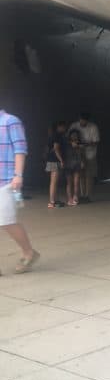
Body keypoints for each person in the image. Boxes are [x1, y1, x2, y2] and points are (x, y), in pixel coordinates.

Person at [0, 110, 40, 273]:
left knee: (6, 220)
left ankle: (29, 253)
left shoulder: (11, 120)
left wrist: (18, 175)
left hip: (7, 180)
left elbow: (20, 149)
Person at [70, 112, 99, 203]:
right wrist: (73, 143)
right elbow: (68, 137)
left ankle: (88, 195)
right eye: (81, 121)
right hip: (78, 155)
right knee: (80, 175)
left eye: (84, 121)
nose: (82, 123)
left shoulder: (93, 127)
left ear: (88, 120)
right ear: (79, 119)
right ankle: (82, 195)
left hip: (90, 154)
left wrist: (84, 145)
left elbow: (96, 141)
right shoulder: (74, 126)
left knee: (89, 175)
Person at [46, 121, 67, 208]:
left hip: (51, 160)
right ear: (59, 127)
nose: (65, 128)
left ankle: (53, 200)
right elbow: (56, 148)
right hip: (55, 161)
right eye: (64, 127)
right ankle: (52, 202)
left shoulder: (52, 135)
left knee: (54, 182)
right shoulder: (57, 135)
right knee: (54, 182)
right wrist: (61, 160)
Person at [63, 129, 84, 206]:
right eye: (73, 134)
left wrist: (82, 161)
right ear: (70, 135)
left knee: (76, 182)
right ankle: (69, 199)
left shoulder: (80, 144)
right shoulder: (66, 143)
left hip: (77, 164)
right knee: (69, 183)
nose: (74, 136)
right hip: (68, 164)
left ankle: (75, 197)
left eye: (76, 135)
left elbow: (81, 154)